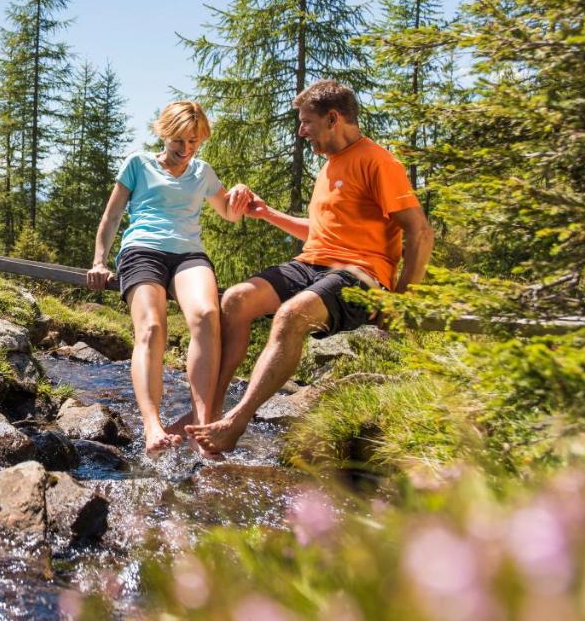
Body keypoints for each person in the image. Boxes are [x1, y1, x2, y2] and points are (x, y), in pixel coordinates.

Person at [186, 80, 435, 454]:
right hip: (313, 264)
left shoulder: (378, 161)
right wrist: (268, 214)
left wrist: (403, 301)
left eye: (306, 122)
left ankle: (236, 422)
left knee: (291, 315)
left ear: (333, 118)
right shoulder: (330, 165)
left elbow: (420, 231)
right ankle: (212, 411)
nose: (301, 132)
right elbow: (319, 232)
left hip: (361, 274)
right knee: (236, 299)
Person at [86, 101, 248, 456]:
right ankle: (152, 426)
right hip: (142, 249)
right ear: (164, 132)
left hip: (189, 254)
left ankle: (202, 428)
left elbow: (229, 214)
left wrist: (236, 194)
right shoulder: (138, 164)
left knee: (207, 317)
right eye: (180, 140)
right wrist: (99, 261)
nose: (186, 149)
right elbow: (112, 217)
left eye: (194, 142)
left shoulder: (203, 172)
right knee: (152, 328)